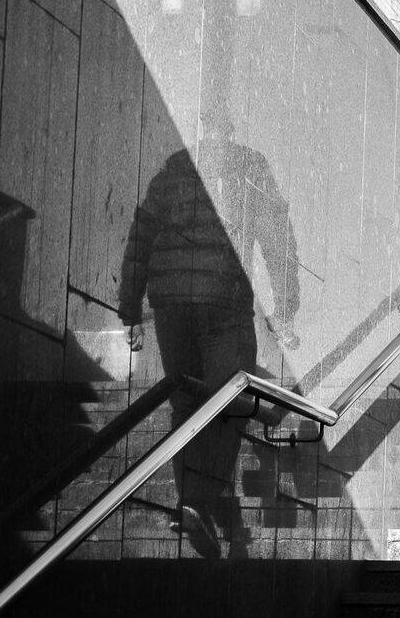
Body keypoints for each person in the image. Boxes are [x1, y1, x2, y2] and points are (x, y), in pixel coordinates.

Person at [119, 113, 301, 559]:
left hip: (172, 303)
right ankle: (201, 500)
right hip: (223, 298)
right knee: (232, 400)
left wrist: (130, 308)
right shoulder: (250, 166)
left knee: (186, 403)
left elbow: (141, 234)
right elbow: (277, 235)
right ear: (232, 128)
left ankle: (191, 502)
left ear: (201, 128)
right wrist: (285, 306)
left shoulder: (175, 168)